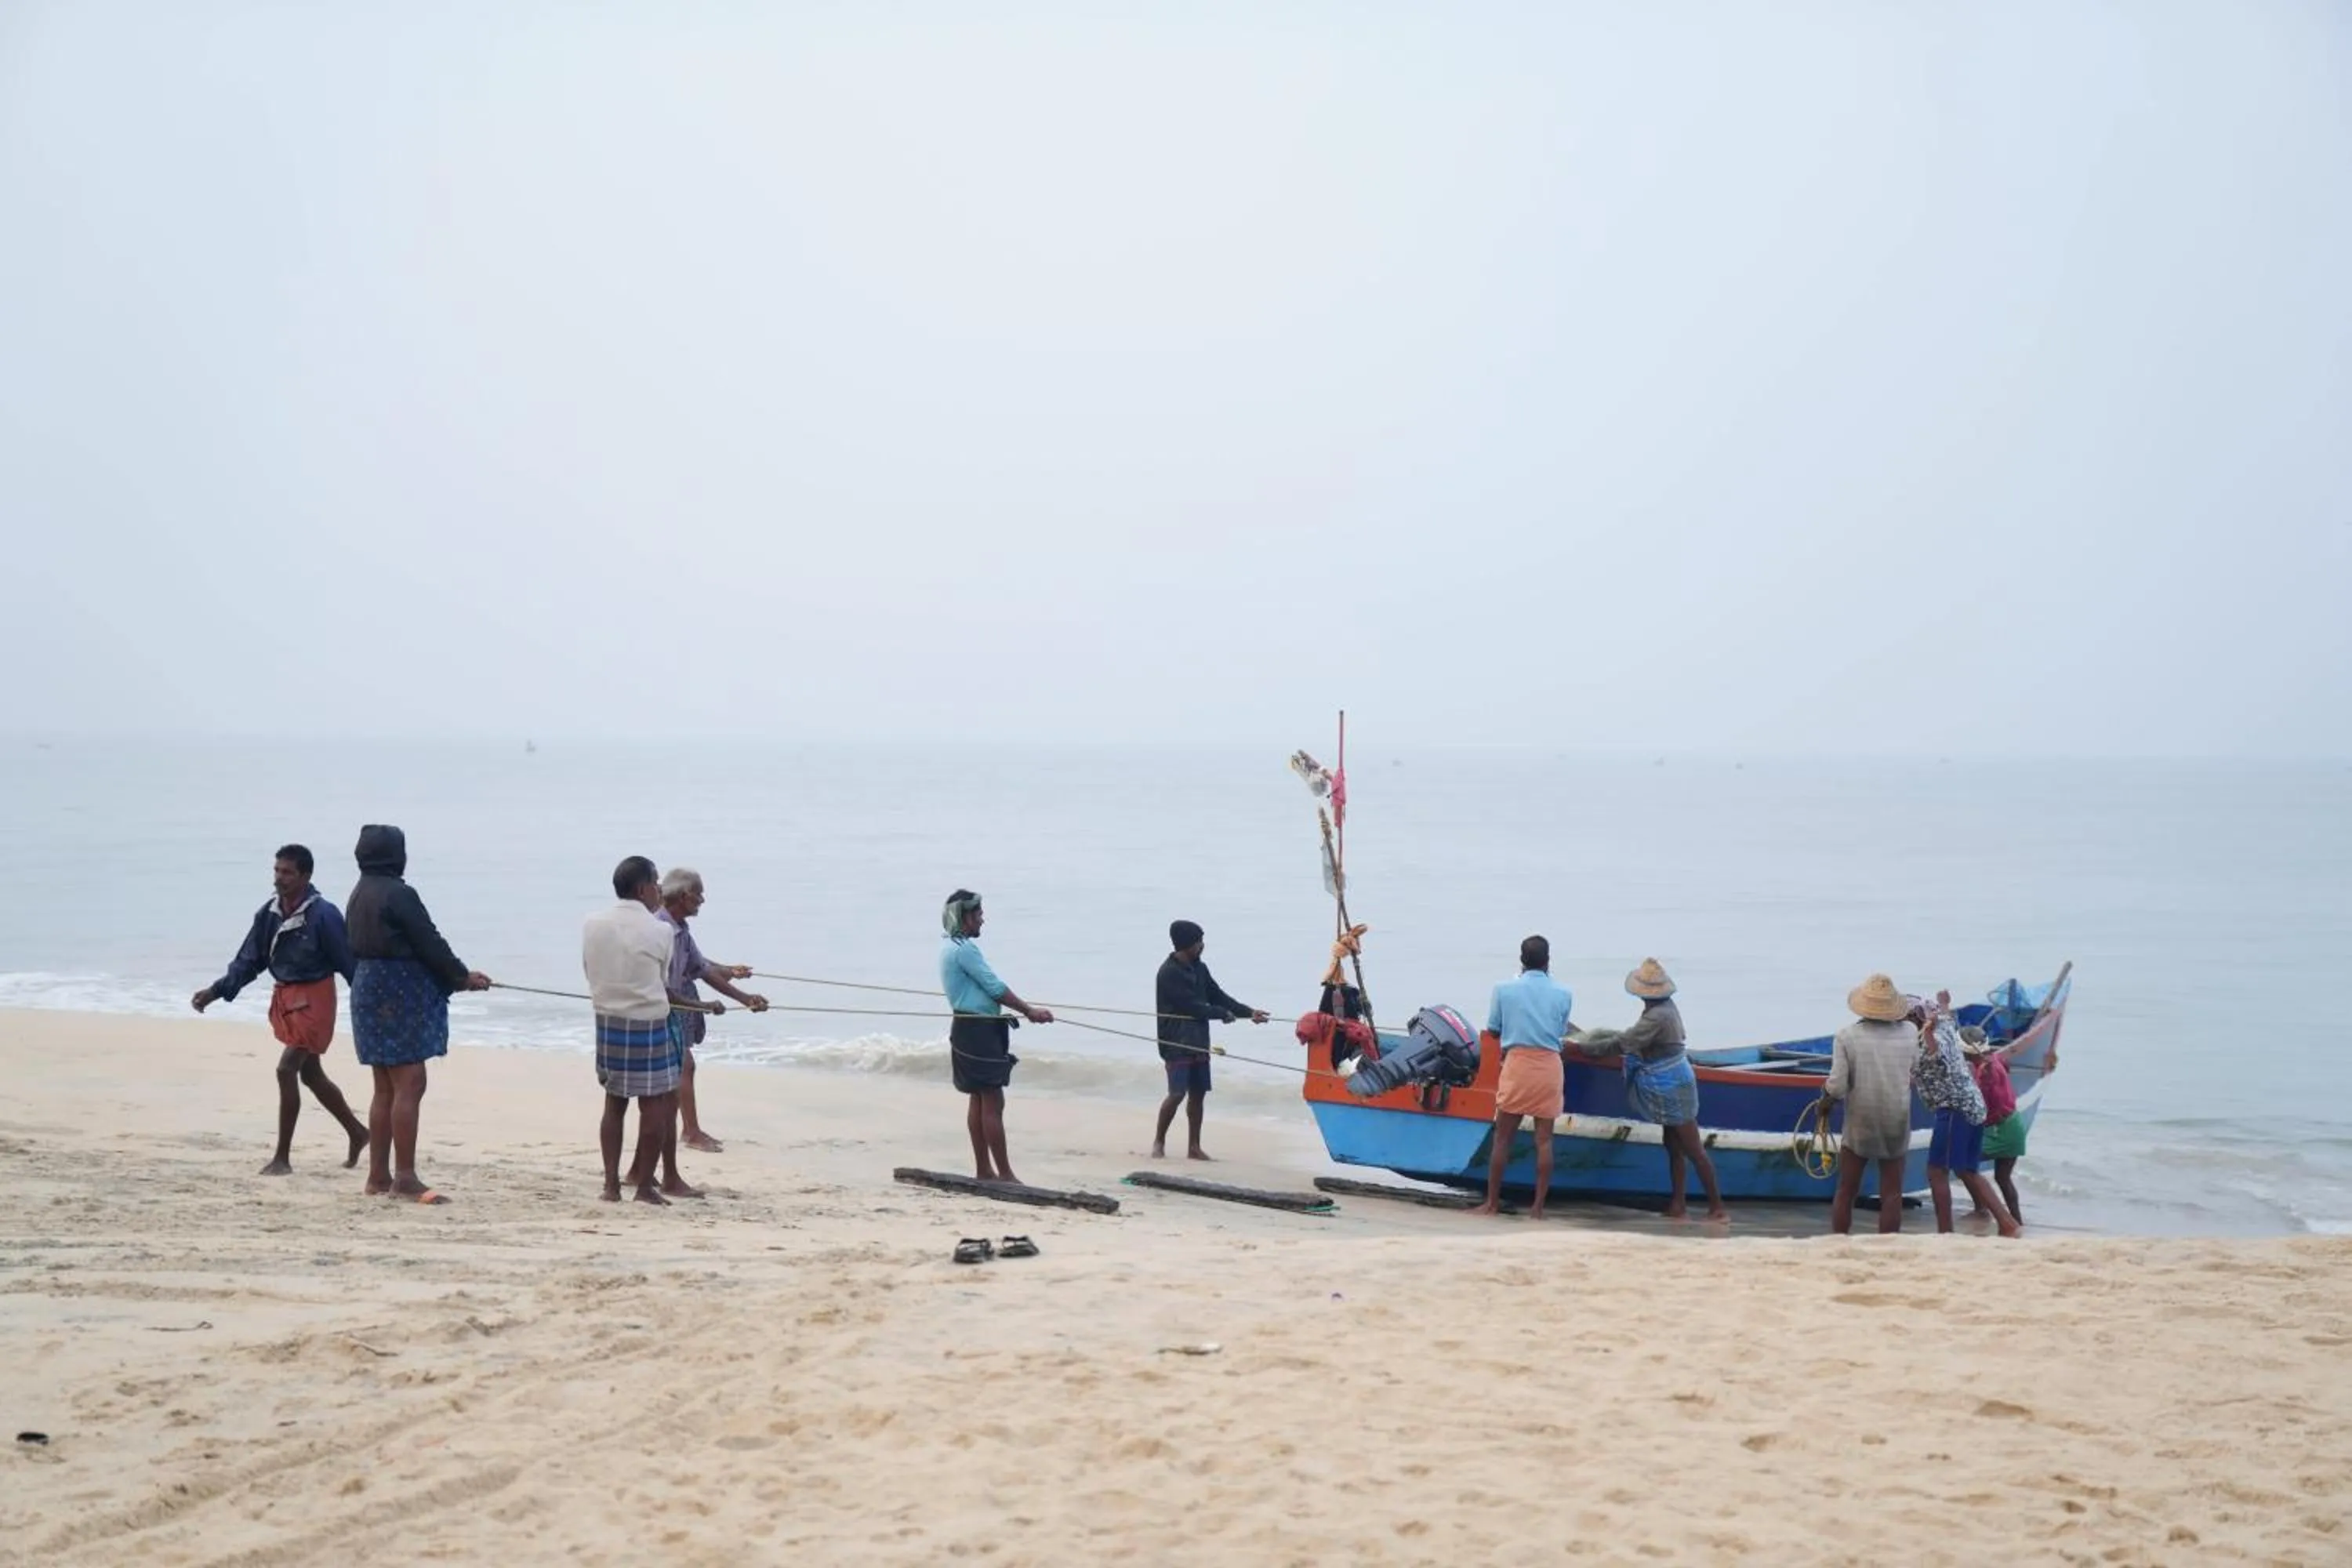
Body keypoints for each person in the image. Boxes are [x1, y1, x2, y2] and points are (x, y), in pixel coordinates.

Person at [191, 843, 369, 1175]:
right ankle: (358, 1132)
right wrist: (215, 992)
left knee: (286, 1069)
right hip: (287, 999)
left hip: (315, 1000)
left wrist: (370, 1005)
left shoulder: (324, 915)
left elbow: (350, 966)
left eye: (287, 872)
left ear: (306, 876)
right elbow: (250, 960)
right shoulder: (270, 913)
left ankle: (282, 1158)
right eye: (276, 870)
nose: (279, 878)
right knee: (310, 1073)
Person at [344, 825, 489, 1203]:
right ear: (397, 855)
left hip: (366, 987)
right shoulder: (399, 893)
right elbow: (429, 941)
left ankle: (378, 1176)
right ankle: (405, 1178)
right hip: (398, 991)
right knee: (410, 1083)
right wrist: (461, 977)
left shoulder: (358, 893)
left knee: (384, 1086)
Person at [1569, 958, 1727, 1221]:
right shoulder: (1664, 1008)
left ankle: (1718, 1208)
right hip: (1671, 1078)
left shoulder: (1657, 1015)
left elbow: (1626, 1042)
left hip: (1672, 1083)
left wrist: (1582, 1049)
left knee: (1693, 1148)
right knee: (1673, 1145)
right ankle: (1678, 1205)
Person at [584, 855, 689, 1204]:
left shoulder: (593, 923)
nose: (660, 890)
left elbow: (589, 969)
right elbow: (660, 981)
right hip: (648, 1022)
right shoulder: (660, 930)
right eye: (656, 883)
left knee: (614, 1103)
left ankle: (611, 1186)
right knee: (655, 1105)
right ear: (643, 888)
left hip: (608, 1019)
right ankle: (644, 1187)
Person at [938, 890, 1053, 1184]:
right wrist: (1029, 1010)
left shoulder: (949, 947)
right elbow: (994, 988)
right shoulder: (964, 949)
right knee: (992, 1101)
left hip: (965, 1027)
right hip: (978, 1031)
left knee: (978, 1099)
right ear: (965, 917)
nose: (982, 920)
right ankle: (1005, 1174)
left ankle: (984, 1171)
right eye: (978, 914)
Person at [656, 867, 769, 1156]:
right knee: (682, 1066)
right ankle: (689, 1133)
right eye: (699, 894)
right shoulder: (661, 929)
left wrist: (742, 994)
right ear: (685, 896)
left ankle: (689, 1130)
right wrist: (707, 1005)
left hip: (675, 1004)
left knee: (682, 1067)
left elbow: (702, 968)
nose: (703, 900)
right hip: (660, 1008)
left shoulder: (680, 928)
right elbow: (667, 987)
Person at [1473, 935, 1574, 1221]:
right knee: (1544, 1141)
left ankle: (1491, 1204)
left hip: (1518, 1064)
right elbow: (1562, 1029)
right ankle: (1538, 1209)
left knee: (1503, 1138)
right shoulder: (1564, 993)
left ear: (1521, 959)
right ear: (1548, 960)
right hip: (1549, 1067)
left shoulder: (1504, 989)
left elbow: (1494, 1029)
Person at [1152, 919, 1269, 1161]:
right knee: (1177, 1093)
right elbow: (1191, 1006)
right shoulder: (1168, 973)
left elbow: (1218, 996)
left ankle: (1194, 1147)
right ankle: (1159, 1142)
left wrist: (1248, 1013)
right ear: (1186, 944)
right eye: (1198, 942)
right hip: (1176, 1041)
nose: (1202, 946)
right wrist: (1220, 1014)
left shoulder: (1199, 968)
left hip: (1198, 1039)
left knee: (1198, 1093)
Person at [1822, 972, 1920, 1235]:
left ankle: (1839, 1241)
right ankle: (1888, 1245)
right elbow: (1916, 1068)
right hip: (1896, 1117)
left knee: (1847, 1189)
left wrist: (1825, 1101)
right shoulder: (1911, 1033)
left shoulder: (1847, 1036)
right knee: (1892, 1192)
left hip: (1860, 1119)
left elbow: (1838, 1086)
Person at [1915, 993, 2019, 1238]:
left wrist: (1928, 1035)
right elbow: (1947, 1020)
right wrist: (1944, 1006)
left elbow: (1934, 1052)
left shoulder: (1932, 1040)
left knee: (1936, 1171)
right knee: (1967, 1170)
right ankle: (2007, 1223)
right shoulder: (1949, 1030)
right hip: (1973, 1107)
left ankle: (1945, 1232)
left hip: (1954, 1110)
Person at [1965, 1025, 2036, 1226]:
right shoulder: (1994, 1059)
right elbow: (2004, 1066)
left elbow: (1981, 1103)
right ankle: (2017, 1221)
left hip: (2000, 1130)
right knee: (2003, 1178)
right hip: (2014, 1125)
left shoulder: (1985, 1073)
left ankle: (1984, 1210)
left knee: (1964, 1163)